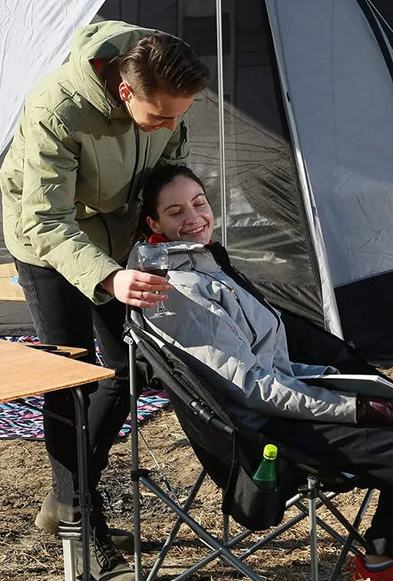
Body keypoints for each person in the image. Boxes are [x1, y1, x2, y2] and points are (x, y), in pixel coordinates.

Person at [0, 20, 210, 579]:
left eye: (179, 114)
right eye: (162, 116)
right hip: (48, 244)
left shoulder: (158, 77)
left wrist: (181, 216)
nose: (172, 124)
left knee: (131, 367)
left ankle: (69, 495)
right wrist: (109, 277)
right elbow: (44, 219)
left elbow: (167, 166)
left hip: (121, 237)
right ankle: (79, 527)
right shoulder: (57, 110)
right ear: (124, 93)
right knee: (70, 375)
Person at [130, 163, 393, 581]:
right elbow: (253, 388)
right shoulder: (179, 289)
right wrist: (356, 408)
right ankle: (381, 565)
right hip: (266, 433)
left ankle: (381, 561)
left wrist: (350, 385)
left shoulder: (208, 265)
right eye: (176, 211)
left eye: (199, 203)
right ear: (153, 223)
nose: (194, 217)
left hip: (288, 407)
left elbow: (276, 365)